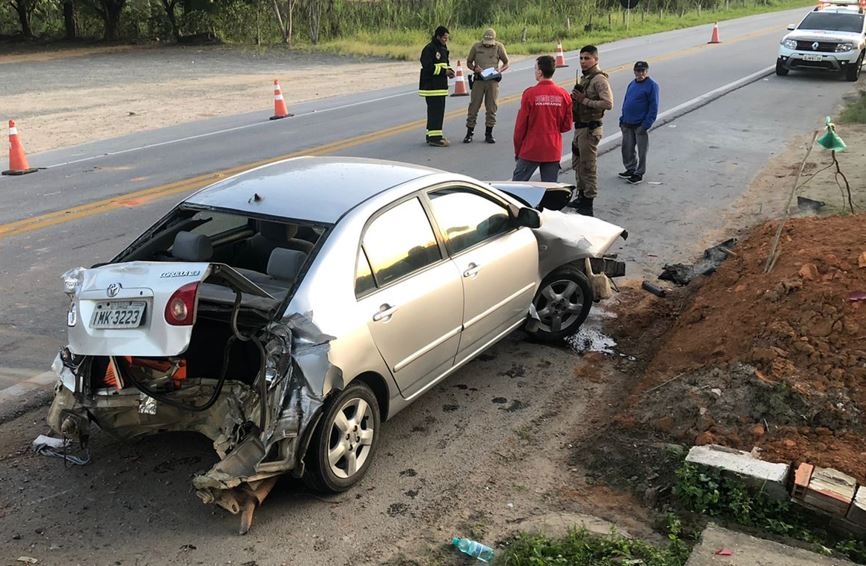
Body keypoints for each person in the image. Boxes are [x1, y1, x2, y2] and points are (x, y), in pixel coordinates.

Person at [512, 55, 573, 183]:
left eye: (535, 68)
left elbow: (520, 126)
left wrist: (518, 150)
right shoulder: (563, 94)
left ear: (540, 72)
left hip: (531, 148)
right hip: (552, 148)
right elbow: (567, 126)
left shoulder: (529, 94)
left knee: (517, 187)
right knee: (550, 189)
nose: (534, 71)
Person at [569, 45, 613, 217]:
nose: (583, 61)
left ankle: (588, 201)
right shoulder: (586, 78)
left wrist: (584, 100)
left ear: (596, 59)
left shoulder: (599, 80)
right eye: (581, 58)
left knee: (588, 166)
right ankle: (581, 195)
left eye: (587, 58)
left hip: (590, 128)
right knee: (578, 164)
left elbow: (608, 103)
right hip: (580, 127)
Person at [463, 28, 510, 144]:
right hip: (479, 81)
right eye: (486, 43)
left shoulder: (499, 47)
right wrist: (475, 68)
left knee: (491, 107)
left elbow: (507, 62)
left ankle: (489, 133)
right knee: (473, 107)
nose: (488, 45)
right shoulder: (476, 47)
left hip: (492, 81)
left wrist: (500, 70)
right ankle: (469, 133)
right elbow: (469, 62)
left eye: (490, 43)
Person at [618, 61, 660, 185]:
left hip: (640, 124)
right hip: (627, 123)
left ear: (646, 71)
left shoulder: (652, 85)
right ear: (634, 71)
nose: (640, 73)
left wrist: (646, 124)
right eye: (638, 71)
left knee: (642, 151)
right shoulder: (632, 84)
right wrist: (622, 119)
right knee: (627, 149)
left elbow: (654, 106)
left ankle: (639, 173)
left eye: (643, 71)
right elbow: (626, 101)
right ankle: (630, 169)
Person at [419, 26, 455, 147]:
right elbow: (427, 67)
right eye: (444, 38)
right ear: (438, 36)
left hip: (440, 87)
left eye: (447, 38)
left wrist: (449, 71)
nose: (446, 40)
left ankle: (431, 135)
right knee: (436, 113)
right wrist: (444, 72)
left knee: (437, 112)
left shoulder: (443, 48)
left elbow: (445, 64)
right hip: (431, 88)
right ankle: (435, 138)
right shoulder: (429, 49)